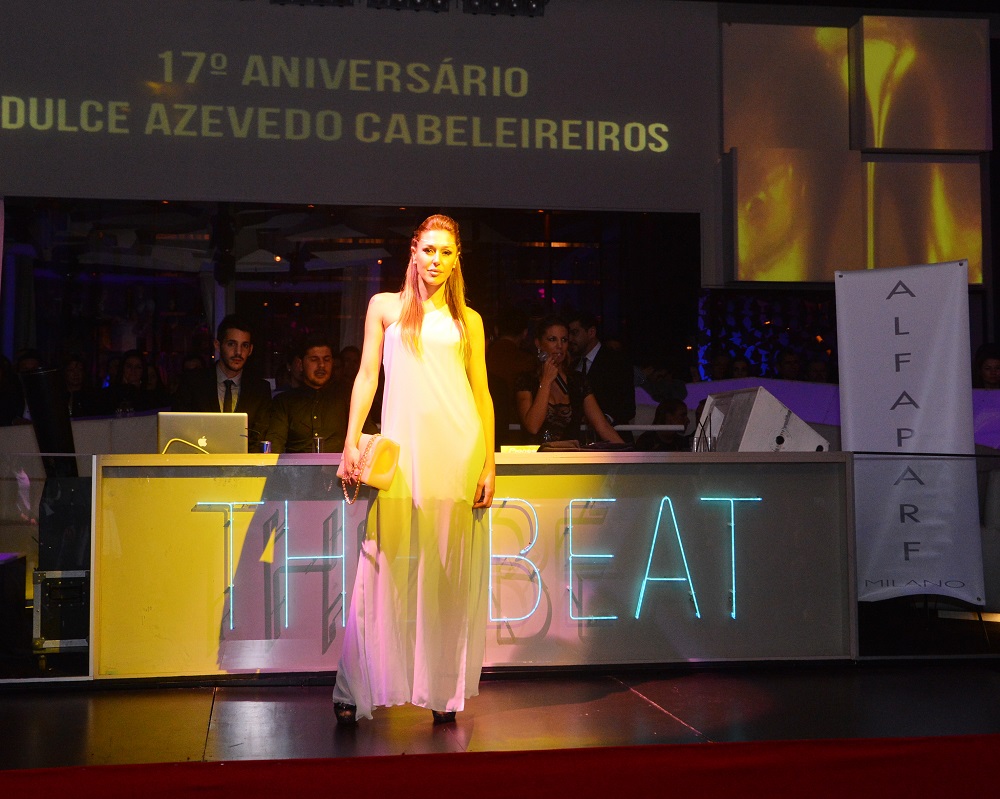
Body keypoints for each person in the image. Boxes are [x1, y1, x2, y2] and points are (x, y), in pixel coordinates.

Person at [332, 214, 495, 726]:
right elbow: (366, 376)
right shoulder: (384, 307)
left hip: (457, 453)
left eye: (446, 252)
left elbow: (482, 393)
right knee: (380, 567)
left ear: (457, 258)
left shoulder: (469, 320)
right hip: (403, 457)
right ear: (413, 251)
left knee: (446, 575)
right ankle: (352, 688)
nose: (436, 260)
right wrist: (350, 441)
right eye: (429, 250)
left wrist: (490, 462)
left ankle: (442, 692)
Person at [515, 316, 625, 446]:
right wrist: (546, 381)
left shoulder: (577, 381)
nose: (559, 346)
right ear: (538, 343)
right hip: (536, 456)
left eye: (564, 340)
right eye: (552, 339)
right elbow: (533, 426)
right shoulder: (526, 380)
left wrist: (631, 454)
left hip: (570, 456)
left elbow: (602, 426)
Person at [172, 314, 272, 450]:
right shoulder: (193, 383)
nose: (238, 352)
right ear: (217, 345)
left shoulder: (260, 390)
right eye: (231, 344)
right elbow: (178, 432)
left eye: (244, 345)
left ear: (250, 350)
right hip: (199, 460)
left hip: (244, 463)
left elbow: (260, 439)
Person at [264, 335, 350, 453]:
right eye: (314, 359)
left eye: (326, 359)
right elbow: (274, 444)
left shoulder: (347, 398)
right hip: (295, 465)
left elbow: (367, 437)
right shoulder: (285, 402)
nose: (321, 365)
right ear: (300, 364)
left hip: (340, 465)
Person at [566, 311, 636, 427]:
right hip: (580, 434)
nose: (570, 339)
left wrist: (605, 419)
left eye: (574, 333)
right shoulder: (572, 366)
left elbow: (627, 406)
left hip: (611, 434)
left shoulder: (616, 361)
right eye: (568, 334)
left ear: (591, 332)